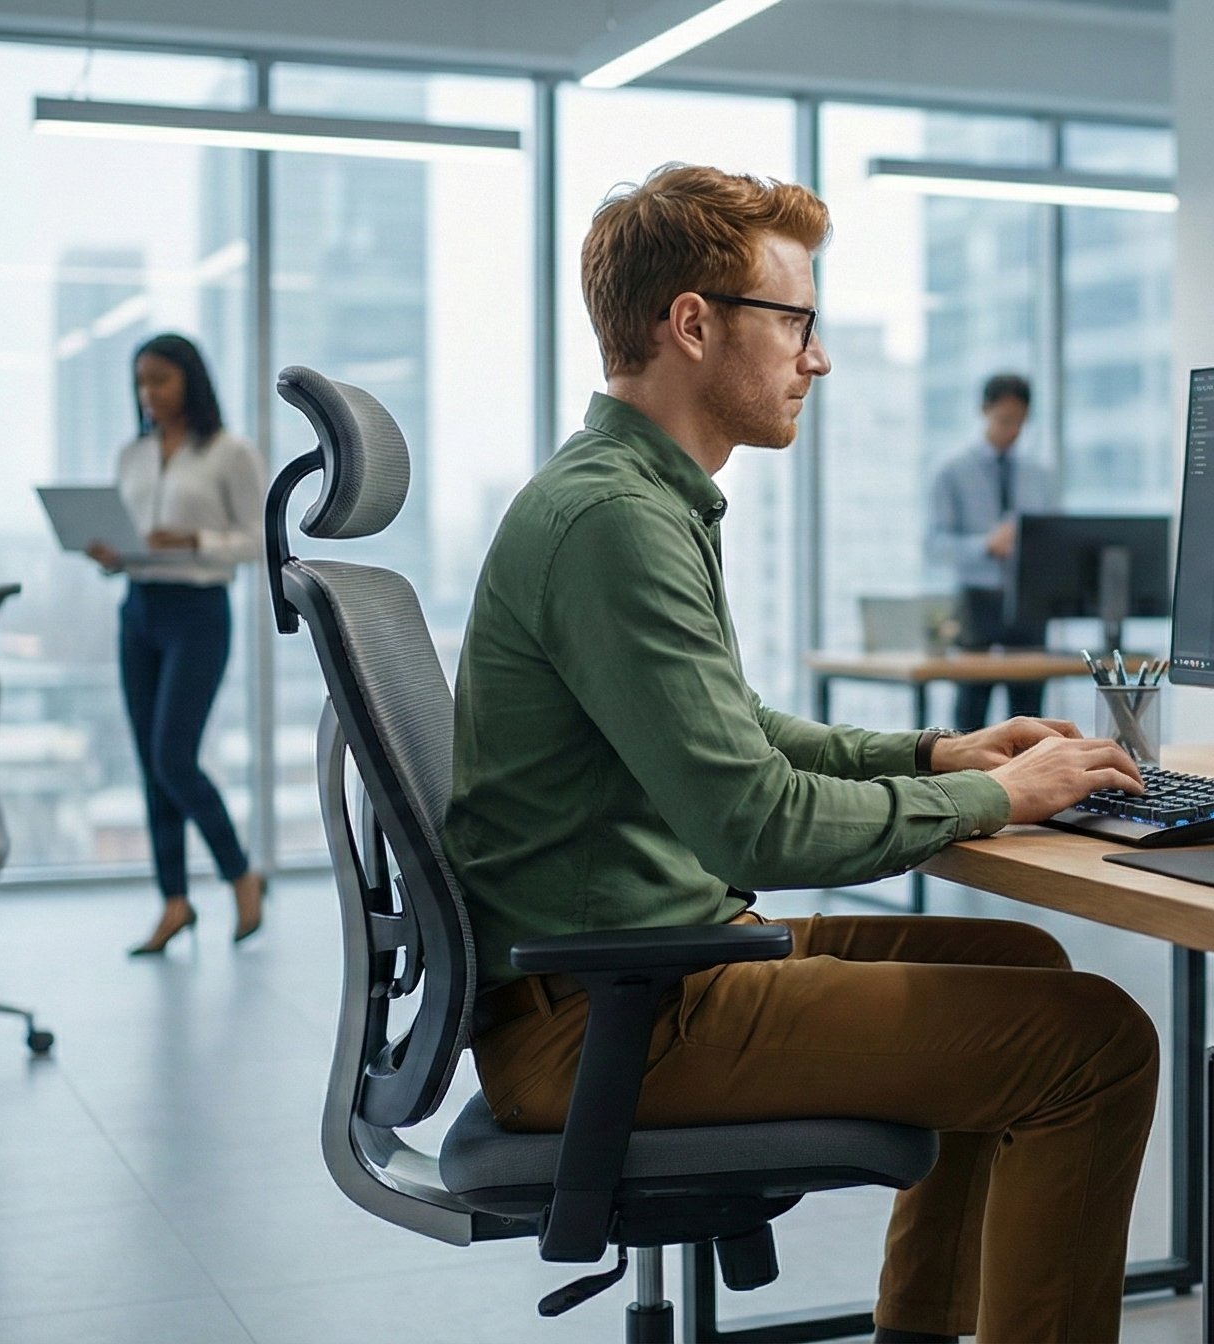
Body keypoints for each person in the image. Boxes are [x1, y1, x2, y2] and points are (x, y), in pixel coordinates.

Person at [447, 163, 1155, 1343]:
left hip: (647, 963)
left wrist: (937, 755)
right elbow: (754, 823)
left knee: (1026, 964)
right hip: (612, 1015)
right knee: (1095, 1048)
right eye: (797, 321)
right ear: (692, 324)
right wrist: (999, 796)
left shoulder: (633, 496)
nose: (815, 357)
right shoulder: (614, 520)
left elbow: (742, 732)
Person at [82, 333, 269, 955]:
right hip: (138, 608)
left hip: (197, 612)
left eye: (159, 379)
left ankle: (240, 875)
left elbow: (256, 540)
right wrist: (114, 554)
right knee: (149, 764)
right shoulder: (132, 454)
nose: (149, 393)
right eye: (141, 382)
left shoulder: (228, 453)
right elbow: (134, 537)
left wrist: (190, 543)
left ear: (189, 379)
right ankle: (174, 903)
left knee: (173, 757)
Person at [924, 373, 1059, 731]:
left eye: (1018, 422)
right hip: (976, 602)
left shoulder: (1040, 475)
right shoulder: (950, 471)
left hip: (1029, 603)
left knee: (1030, 714)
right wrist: (986, 544)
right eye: (1003, 420)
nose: (1011, 430)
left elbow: (1056, 539)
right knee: (971, 713)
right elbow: (935, 546)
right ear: (984, 411)